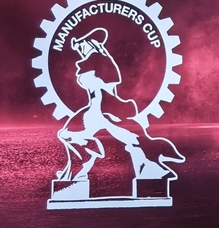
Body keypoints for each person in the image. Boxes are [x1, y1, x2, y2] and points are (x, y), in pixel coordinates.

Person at [55, 28, 184, 185]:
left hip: (102, 109)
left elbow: (106, 88)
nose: (79, 49)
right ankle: (77, 169)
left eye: (81, 45)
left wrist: (108, 110)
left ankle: (149, 168)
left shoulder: (97, 60)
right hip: (97, 108)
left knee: (132, 139)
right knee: (69, 134)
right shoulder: (96, 61)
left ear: (90, 43)